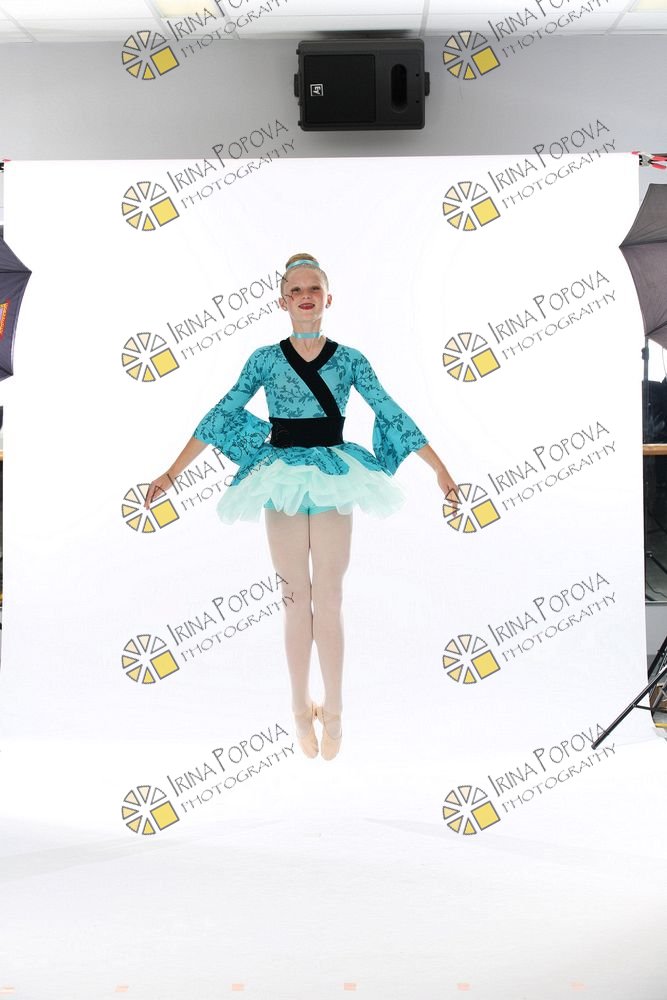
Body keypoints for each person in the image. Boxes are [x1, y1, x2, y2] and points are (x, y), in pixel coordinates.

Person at [145, 253, 458, 761]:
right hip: (282, 476)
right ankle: (297, 706)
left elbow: (389, 410)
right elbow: (222, 412)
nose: (305, 296)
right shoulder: (264, 360)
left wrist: (438, 468)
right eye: (296, 290)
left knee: (329, 596)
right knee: (294, 597)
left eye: (314, 288)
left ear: (329, 298)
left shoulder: (351, 359)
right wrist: (171, 473)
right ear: (283, 301)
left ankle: (334, 708)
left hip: (334, 473)